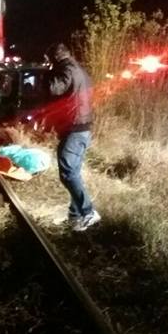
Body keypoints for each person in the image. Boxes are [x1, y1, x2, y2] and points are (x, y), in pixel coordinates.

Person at [45, 43, 101, 232]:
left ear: (54, 57)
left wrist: (48, 73)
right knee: (73, 172)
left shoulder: (66, 70)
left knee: (68, 172)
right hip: (82, 126)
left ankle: (88, 212)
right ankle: (75, 217)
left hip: (75, 127)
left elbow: (54, 89)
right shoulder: (80, 70)